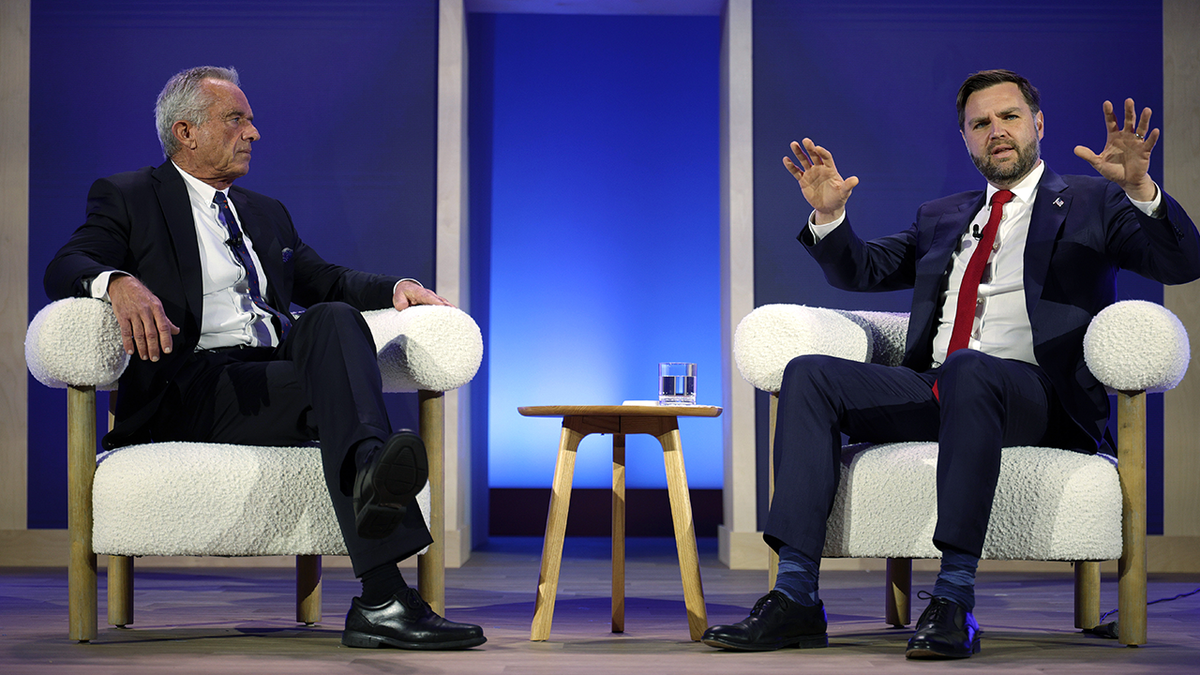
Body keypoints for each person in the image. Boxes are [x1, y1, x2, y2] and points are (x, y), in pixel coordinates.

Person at [700, 69, 1200, 659]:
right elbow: (862, 269)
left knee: (968, 368)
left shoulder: (1093, 201)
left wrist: (1142, 190)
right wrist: (830, 218)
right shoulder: (943, 214)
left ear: (1037, 124)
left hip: (1038, 399)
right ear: (966, 139)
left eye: (1009, 117)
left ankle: (953, 598)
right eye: (980, 123)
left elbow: (1181, 263)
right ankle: (795, 599)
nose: (997, 131)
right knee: (810, 372)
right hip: (941, 389)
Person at [44, 66, 486, 651]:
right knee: (347, 413)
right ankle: (384, 589)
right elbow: (64, 265)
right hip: (194, 388)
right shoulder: (129, 196)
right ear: (186, 131)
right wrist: (118, 282)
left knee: (332, 320)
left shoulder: (265, 211)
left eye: (249, 120)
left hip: (267, 379)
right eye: (237, 119)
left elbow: (322, 279)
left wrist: (395, 288)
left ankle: (377, 543)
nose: (254, 132)